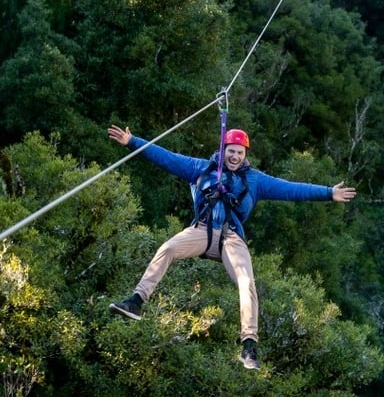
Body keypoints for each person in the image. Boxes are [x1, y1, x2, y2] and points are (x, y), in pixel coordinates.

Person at [107, 124, 355, 370]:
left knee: (246, 281)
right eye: (231, 151)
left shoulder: (255, 180)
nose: (235, 157)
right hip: (202, 230)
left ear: (245, 155)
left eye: (240, 152)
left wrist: (328, 193)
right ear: (223, 149)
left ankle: (249, 345)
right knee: (168, 248)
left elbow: (291, 189)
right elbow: (166, 158)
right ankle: (136, 301)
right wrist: (133, 142)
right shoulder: (200, 168)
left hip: (231, 237)